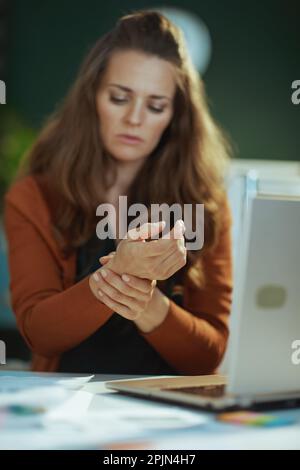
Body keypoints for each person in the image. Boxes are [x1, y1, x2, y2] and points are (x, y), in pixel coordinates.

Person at [4, 10, 233, 375]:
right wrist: (120, 274)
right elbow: (40, 333)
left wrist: (143, 299)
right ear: (91, 96)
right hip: (63, 407)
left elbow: (207, 355)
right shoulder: (34, 196)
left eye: (156, 106)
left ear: (175, 115)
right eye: (119, 98)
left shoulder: (203, 202)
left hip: (168, 413)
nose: (135, 119)